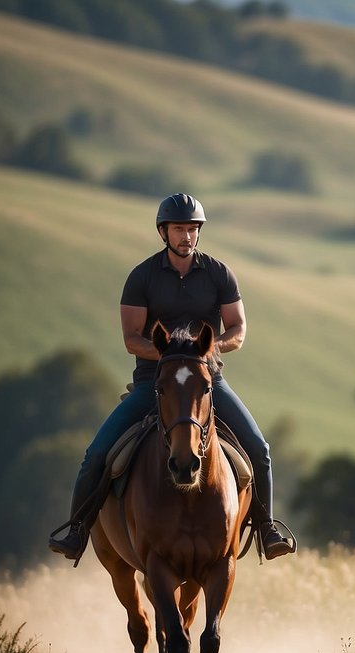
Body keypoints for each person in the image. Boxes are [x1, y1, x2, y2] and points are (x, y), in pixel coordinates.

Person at [48, 193, 296, 562]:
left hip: (205, 381)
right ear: (164, 232)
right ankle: (77, 530)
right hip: (155, 383)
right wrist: (170, 355)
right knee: (97, 453)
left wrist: (211, 350)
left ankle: (266, 528)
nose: (187, 236)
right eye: (179, 229)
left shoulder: (218, 273)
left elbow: (238, 328)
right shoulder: (142, 277)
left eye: (193, 229)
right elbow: (131, 338)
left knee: (259, 449)